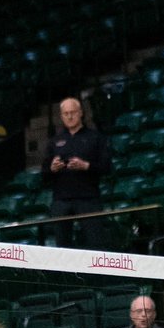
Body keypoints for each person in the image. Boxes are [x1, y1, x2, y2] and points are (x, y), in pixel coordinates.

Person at [41, 98, 111, 249]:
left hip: (88, 198)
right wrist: (52, 168)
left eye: (72, 112)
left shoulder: (95, 137)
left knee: (95, 243)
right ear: (61, 116)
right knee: (62, 245)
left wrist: (86, 166)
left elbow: (107, 167)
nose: (70, 116)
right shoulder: (54, 141)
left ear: (80, 113)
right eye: (66, 113)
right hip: (61, 199)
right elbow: (44, 175)